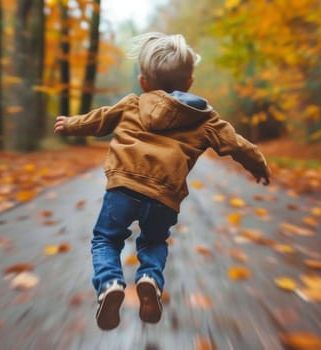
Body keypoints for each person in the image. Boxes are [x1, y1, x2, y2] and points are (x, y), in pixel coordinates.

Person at [53, 32, 270, 330]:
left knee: (106, 238)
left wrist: (69, 125)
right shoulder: (205, 119)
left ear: (143, 82)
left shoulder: (132, 104)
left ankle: (110, 283)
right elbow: (237, 145)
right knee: (154, 240)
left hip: (122, 188)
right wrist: (258, 165)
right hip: (164, 196)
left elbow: (99, 119)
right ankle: (149, 279)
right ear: (190, 81)